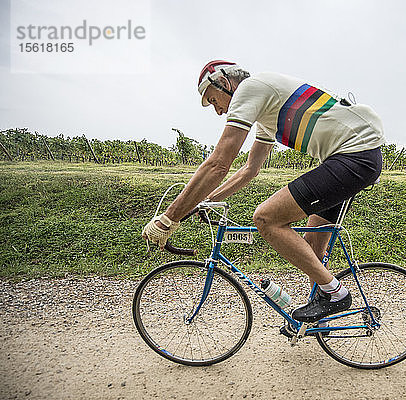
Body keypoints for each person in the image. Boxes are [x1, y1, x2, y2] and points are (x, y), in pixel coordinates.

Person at [142, 60, 385, 323]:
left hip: (353, 157)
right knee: (311, 253)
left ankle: (336, 295)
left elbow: (219, 164)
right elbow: (249, 170)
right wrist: (208, 200)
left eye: (214, 100)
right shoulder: (267, 113)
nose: (217, 111)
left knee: (266, 218)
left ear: (224, 83)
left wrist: (169, 218)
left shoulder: (250, 88)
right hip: (353, 158)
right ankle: (319, 320)